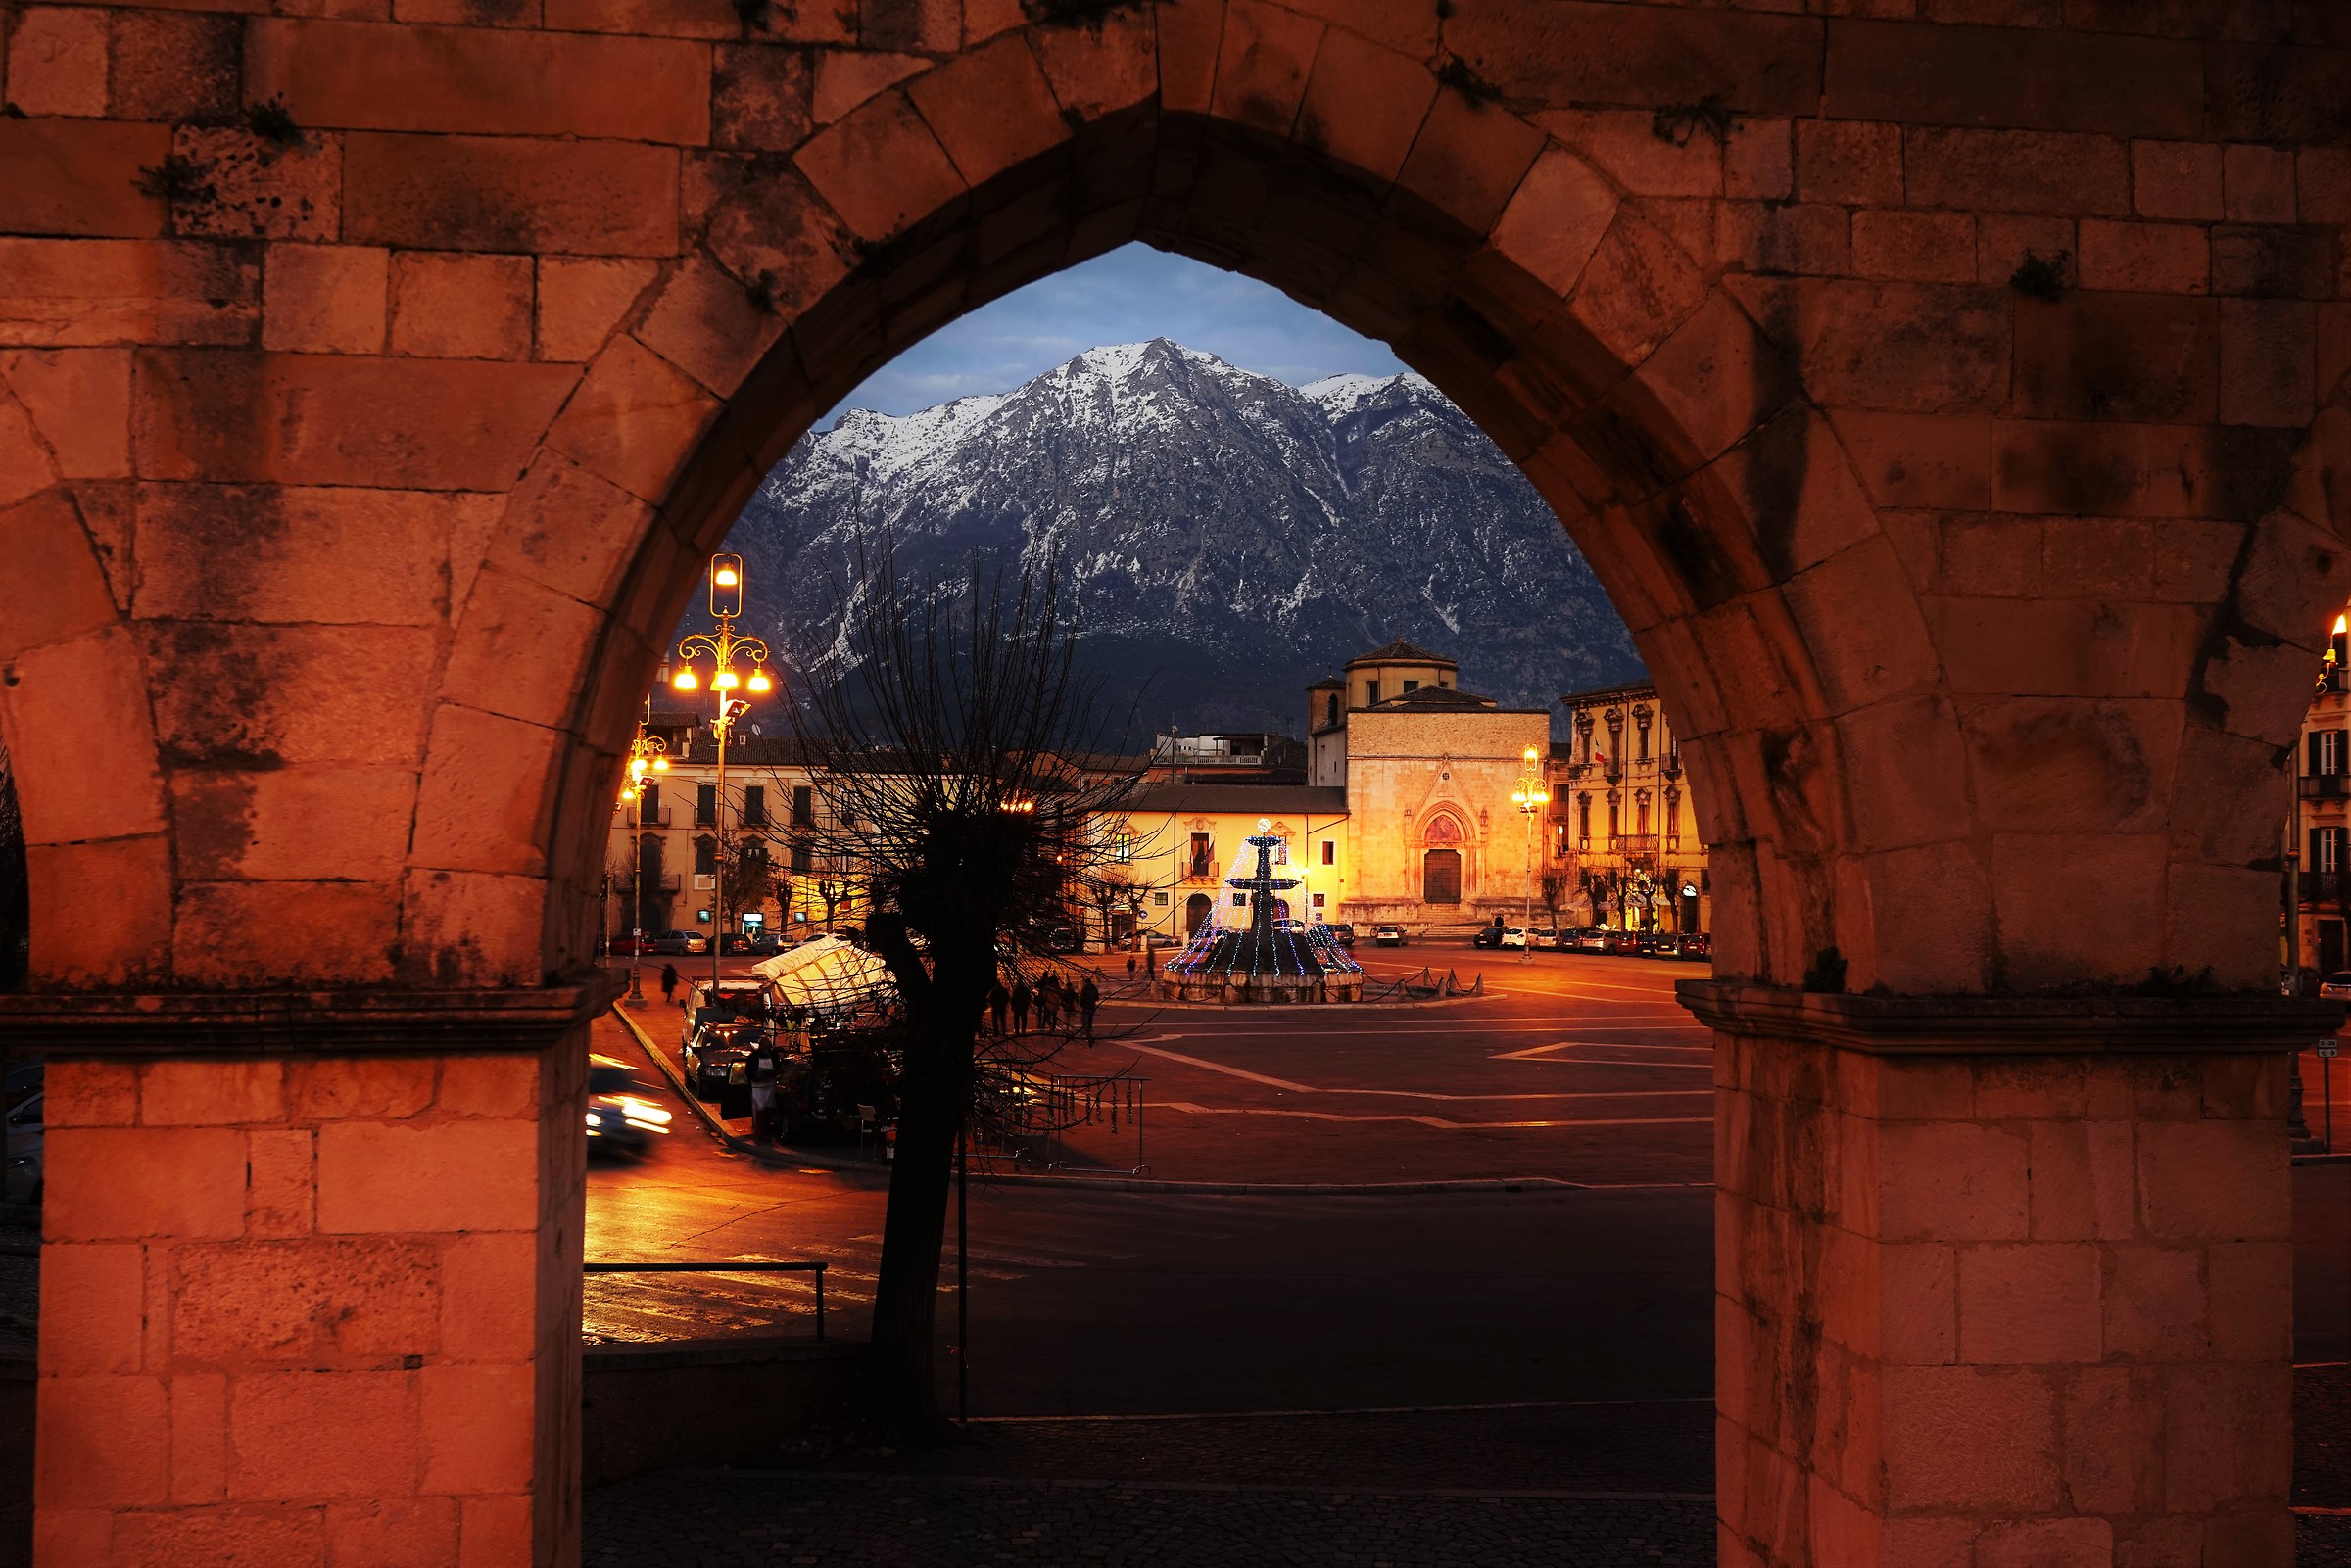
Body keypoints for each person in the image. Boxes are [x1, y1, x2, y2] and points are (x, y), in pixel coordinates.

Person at [747, 1038, 780, 1141]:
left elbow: (778, 1068)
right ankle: (760, 1133)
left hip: (770, 1087)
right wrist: (757, 1076)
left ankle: (768, 1131)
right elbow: (749, 1072)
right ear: (761, 1046)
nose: (767, 1048)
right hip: (758, 1088)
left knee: (769, 1110)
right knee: (759, 1110)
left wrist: (774, 1074)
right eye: (766, 1046)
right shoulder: (753, 1057)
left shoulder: (773, 1056)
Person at [1079, 976, 1100, 1041]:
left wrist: (1081, 1004)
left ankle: (1086, 1032)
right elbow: (1097, 998)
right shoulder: (1094, 988)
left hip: (1085, 1006)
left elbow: (1082, 998)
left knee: (1083, 1020)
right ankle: (1089, 1031)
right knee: (1090, 1021)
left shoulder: (1084, 989)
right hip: (1092, 1006)